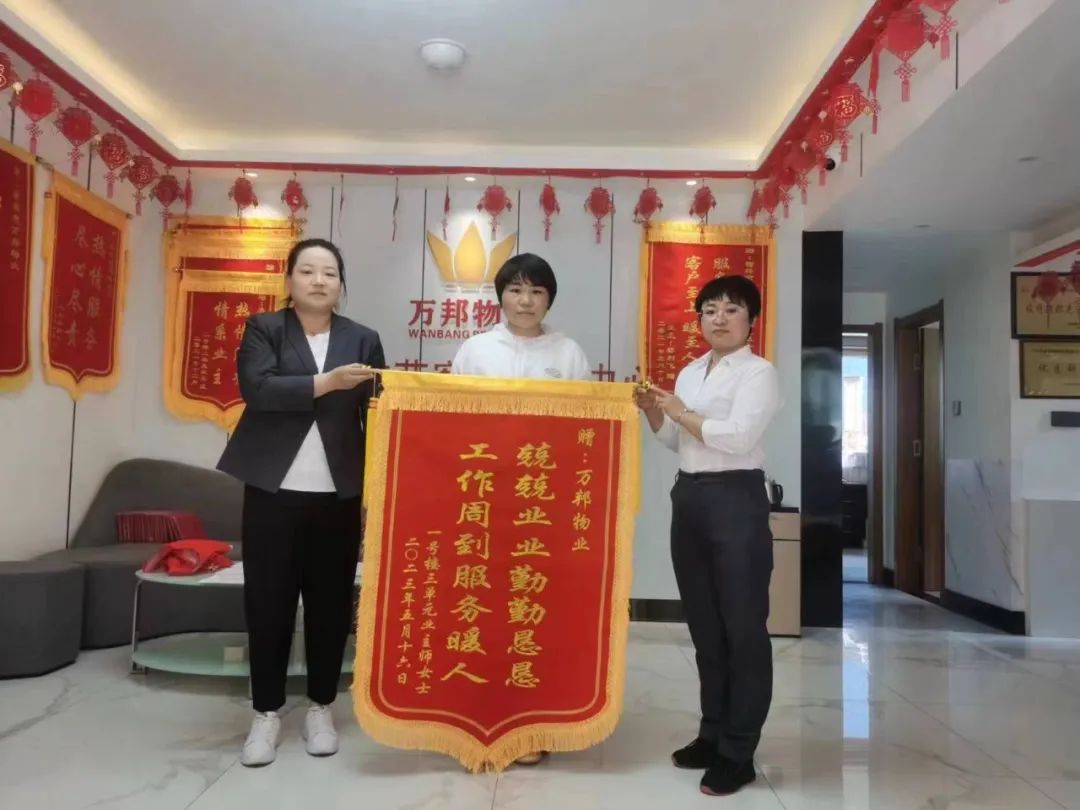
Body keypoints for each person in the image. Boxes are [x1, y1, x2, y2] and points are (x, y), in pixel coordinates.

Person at [217, 237, 386, 767]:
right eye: (308, 271)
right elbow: (258, 389)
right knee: (268, 603)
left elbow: (382, 410)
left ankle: (320, 707)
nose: (319, 281)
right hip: (272, 491)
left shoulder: (362, 338)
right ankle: (265, 712)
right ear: (289, 279)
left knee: (330, 604)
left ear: (341, 284)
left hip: (338, 493)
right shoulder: (264, 328)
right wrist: (326, 382)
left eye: (329, 273)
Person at [634, 275, 780, 797]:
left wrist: (681, 411)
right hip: (690, 497)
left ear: (751, 320)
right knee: (705, 627)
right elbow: (678, 440)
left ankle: (738, 753)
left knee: (743, 629)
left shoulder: (759, 373)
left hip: (736, 498)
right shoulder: (691, 371)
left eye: (731, 309)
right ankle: (712, 733)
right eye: (709, 309)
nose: (719, 318)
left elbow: (737, 437)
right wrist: (655, 410)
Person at [451, 252, 590, 766]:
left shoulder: (568, 353)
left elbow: (585, 427)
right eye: (515, 290)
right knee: (483, 607)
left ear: (549, 299)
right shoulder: (475, 350)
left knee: (535, 611)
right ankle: (479, 717)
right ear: (500, 297)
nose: (525, 301)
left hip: (543, 505)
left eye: (536, 291)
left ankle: (533, 723)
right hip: (485, 503)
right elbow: (451, 423)